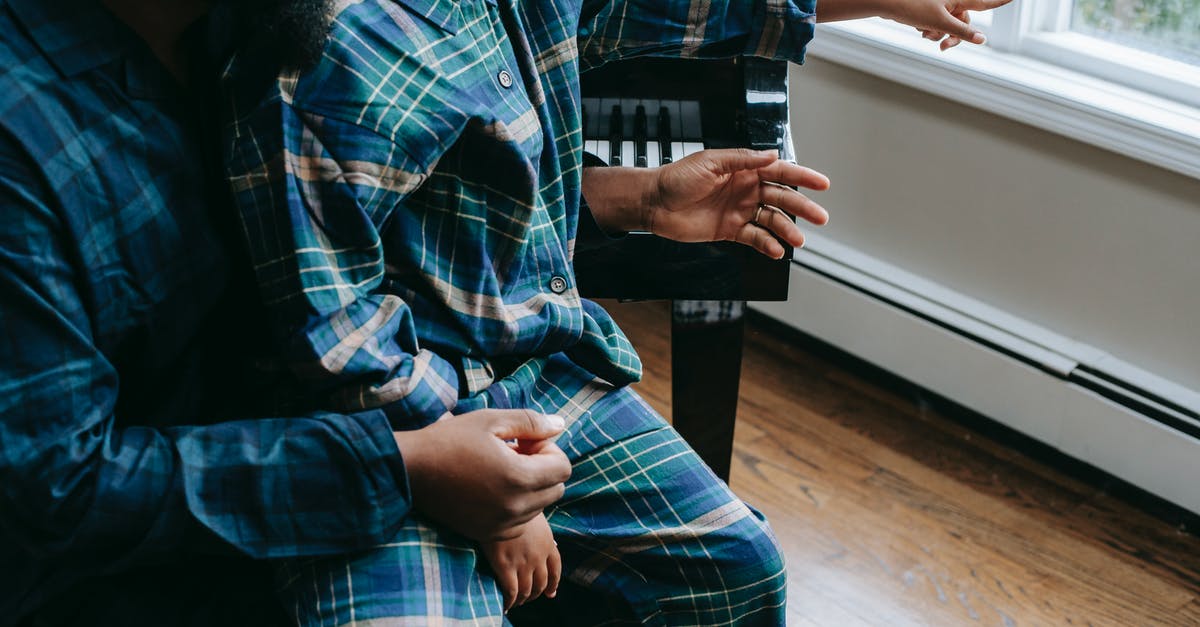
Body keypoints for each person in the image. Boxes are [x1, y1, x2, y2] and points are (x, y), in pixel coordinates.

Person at [0, 0, 1008, 624]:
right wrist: (435, 474)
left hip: (471, 388)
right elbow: (62, 487)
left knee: (733, 569)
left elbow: (455, 200)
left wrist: (632, 199)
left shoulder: (270, 18)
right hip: (338, 430)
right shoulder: (278, 59)